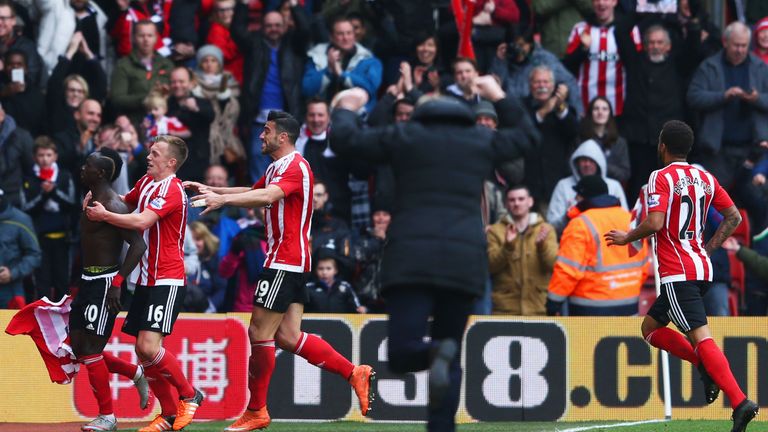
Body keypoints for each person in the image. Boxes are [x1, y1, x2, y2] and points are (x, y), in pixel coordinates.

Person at [329, 79, 535, 432]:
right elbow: (529, 137)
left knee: (402, 352)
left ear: (422, 114)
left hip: (411, 260)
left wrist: (347, 106)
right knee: (450, 349)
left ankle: (435, 352)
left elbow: (345, 140)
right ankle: (442, 406)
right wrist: (499, 96)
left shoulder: (404, 136)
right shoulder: (480, 140)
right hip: (464, 262)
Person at [185, 111, 374, 431]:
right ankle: (353, 372)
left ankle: (256, 410)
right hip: (292, 261)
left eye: (267, 131)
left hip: (284, 261)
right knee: (287, 336)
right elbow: (254, 188)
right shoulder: (278, 167)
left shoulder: (296, 166)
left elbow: (268, 195)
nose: (261, 136)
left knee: (259, 333)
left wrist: (222, 200)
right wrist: (216, 190)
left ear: (282, 137)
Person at [605, 120, 759, 432]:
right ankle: (705, 367)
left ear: (662, 146)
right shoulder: (703, 176)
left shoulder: (660, 177)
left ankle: (740, 400)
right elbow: (733, 217)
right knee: (650, 328)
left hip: (677, 272)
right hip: (701, 268)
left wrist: (627, 237)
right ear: (687, 148)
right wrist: (710, 246)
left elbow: (656, 222)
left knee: (701, 337)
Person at [84, 135, 204, 432]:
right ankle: (167, 414)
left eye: (155, 153)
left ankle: (190, 393)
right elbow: (125, 203)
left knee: (148, 347)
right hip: (146, 278)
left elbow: (140, 222)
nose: (148, 157)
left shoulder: (173, 190)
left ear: (171, 162)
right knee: (141, 351)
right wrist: (99, 201)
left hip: (168, 278)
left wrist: (105, 215)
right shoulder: (146, 183)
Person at [74, 147, 150, 431]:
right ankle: (134, 372)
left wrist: (117, 283)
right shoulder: (92, 200)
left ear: (102, 173)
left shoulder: (114, 206)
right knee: (78, 347)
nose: (83, 169)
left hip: (105, 283)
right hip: (87, 280)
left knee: (91, 349)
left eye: (88, 165)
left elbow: (139, 245)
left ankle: (108, 416)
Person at [547, 175, 647, 315]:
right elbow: (643, 264)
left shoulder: (580, 224)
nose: (575, 199)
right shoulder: (629, 219)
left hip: (589, 309)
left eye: (577, 195)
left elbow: (568, 270)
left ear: (583, 197)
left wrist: (553, 302)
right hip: (629, 305)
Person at [687, 21, 768, 189]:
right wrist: (723, 96)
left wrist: (756, 98)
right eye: (736, 45)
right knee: (718, 203)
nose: (740, 50)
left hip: (753, 149)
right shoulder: (709, 67)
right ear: (725, 42)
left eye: (744, 46)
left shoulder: (760, 68)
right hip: (718, 150)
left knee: (753, 202)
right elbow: (693, 97)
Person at [487, 185, 557, 315]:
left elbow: (554, 265)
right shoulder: (495, 231)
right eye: (512, 200)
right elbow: (490, 266)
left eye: (521, 199)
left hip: (538, 307)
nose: (516, 203)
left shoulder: (546, 229)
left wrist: (542, 247)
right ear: (506, 204)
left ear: (530, 201)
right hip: (505, 309)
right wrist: (507, 247)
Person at [21, 137, 76, 302]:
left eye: (48, 154)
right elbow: (26, 209)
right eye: (41, 155)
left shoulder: (64, 176)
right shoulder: (29, 179)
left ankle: (62, 321)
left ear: (55, 156)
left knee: (62, 281)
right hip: (39, 238)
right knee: (41, 282)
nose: (45, 159)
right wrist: (43, 195)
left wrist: (54, 191)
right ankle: (42, 319)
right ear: (35, 157)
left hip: (63, 238)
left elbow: (72, 204)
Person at [563, 0, 640, 115]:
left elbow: (637, 67)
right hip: (585, 106)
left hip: (619, 107)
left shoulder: (629, 30)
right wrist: (582, 49)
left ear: (615, 2)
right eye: (597, 0)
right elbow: (567, 67)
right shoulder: (580, 29)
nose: (601, 3)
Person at [547, 138, 628, 234]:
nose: (587, 164)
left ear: (599, 163)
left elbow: (625, 220)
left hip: (607, 240)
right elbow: (551, 225)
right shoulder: (563, 185)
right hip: (574, 236)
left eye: (591, 160)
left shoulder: (614, 186)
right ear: (577, 163)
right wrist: (568, 215)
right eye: (583, 160)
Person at [302, 16, 382, 113]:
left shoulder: (368, 59)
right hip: (320, 117)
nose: (345, 38)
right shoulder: (317, 55)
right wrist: (329, 71)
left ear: (354, 36)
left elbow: (370, 87)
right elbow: (307, 89)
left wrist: (342, 74)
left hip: (357, 118)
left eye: (349, 33)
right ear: (331, 36)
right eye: (340, 34)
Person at [0, 187, 41, 308]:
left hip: (10, 292)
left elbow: (35, 255)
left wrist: (12, 273)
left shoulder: (20, 220)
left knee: (6, 327)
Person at [579, 96, 630, 183]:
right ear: (590, 113)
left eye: (604, 109)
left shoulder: (620, 142)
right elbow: (570, 167)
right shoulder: (580, 140)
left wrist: (601, 165)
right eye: (596, 108)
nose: (600, 112)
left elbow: (625, 173)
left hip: (611, 188)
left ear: (610, 114)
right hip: (584, 185)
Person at [305, 248, 366, 313]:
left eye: (328, 268)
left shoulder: (345, 287)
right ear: (315, 270)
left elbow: (358, 308)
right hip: (314, 323)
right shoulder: (309, 288)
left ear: (336, 270)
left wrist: (363, 310)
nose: (324, 272)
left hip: (340, 323)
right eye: (320, 268)